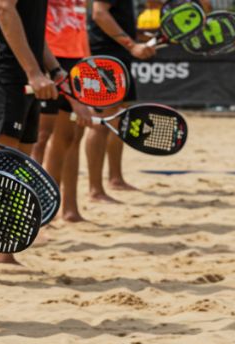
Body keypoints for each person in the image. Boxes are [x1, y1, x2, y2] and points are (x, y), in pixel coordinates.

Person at [0, 0, 90, 282]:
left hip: (28, 72)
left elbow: (32, 29)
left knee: (16, 168)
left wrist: (53, 68)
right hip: (5, 73)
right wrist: (34, 72)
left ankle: (2, 250)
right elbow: (4, 9)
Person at [86, 0, 155, 202]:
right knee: (101, 123)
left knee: (119, 118)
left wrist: (138, 38)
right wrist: (132, 44)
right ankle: (95, 190)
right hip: (105, 57)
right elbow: (99, 13)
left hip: (118, 56)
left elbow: (113, 16)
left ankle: (115, 179)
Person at [41, 0, 92, 222]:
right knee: (41, 137)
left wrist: (88, 63)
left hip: (76, 58)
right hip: (48, 57)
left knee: (71, 136)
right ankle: (42, 211)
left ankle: (68, 207)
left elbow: (81, 25)